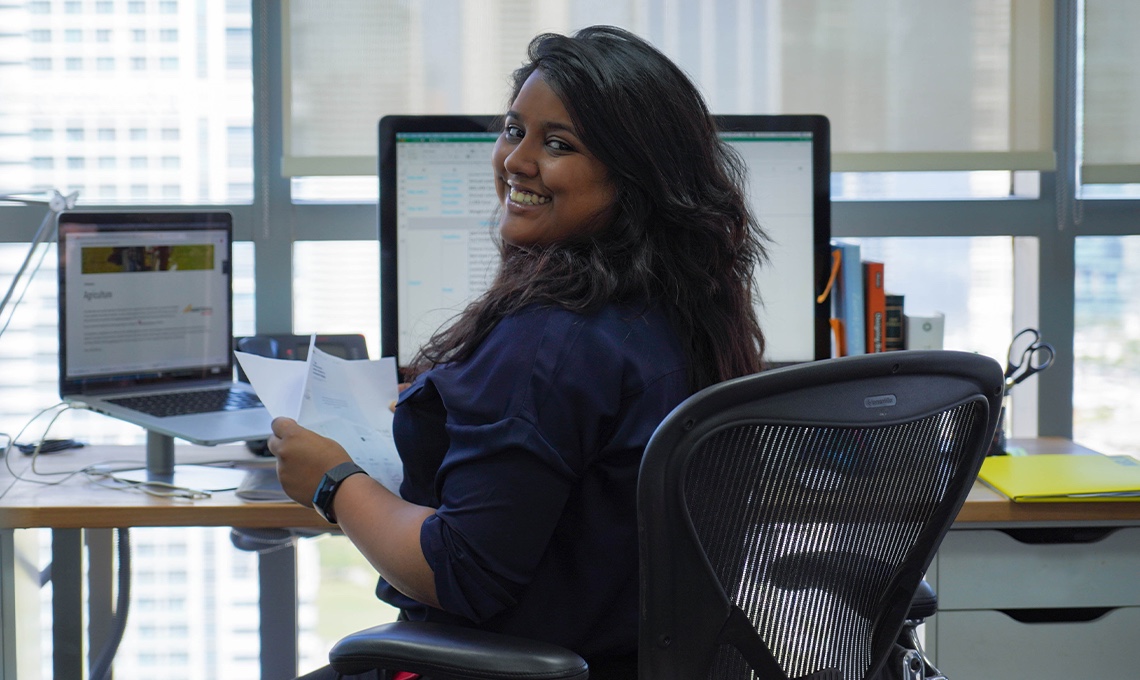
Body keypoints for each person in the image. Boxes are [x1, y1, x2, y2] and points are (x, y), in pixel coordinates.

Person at [269, 25, 768, 680]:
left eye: (558, 144)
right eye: (513, 130)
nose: (515, 160)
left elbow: (460, 574)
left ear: (633, 178)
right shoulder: (683, 311)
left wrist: (333, 481)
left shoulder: (553, 342)